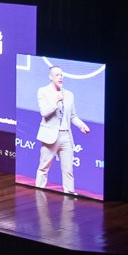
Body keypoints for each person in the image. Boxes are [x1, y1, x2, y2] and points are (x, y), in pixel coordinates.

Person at [34, 65, 90, 196]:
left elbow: (73, 116)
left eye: (61, 75)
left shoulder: (69, 95)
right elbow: (44, 112)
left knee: (68, 170)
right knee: (43, 168)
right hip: (50, 136)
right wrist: (56, 100)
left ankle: (69, 193)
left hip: (66, 137)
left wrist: (81, 125)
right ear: (51, 77)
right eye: (57, 75)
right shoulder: (43, 91)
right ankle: (38, 192)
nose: (60, 77)